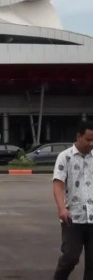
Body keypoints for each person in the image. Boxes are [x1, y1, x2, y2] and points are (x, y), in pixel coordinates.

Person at [52, 120, 93, 279]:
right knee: (70, 257)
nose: (91, 143)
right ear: (78, 137)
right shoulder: (65, 157)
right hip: (72, 218)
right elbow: (58, 184)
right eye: (88, 139)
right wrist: (61, 208)